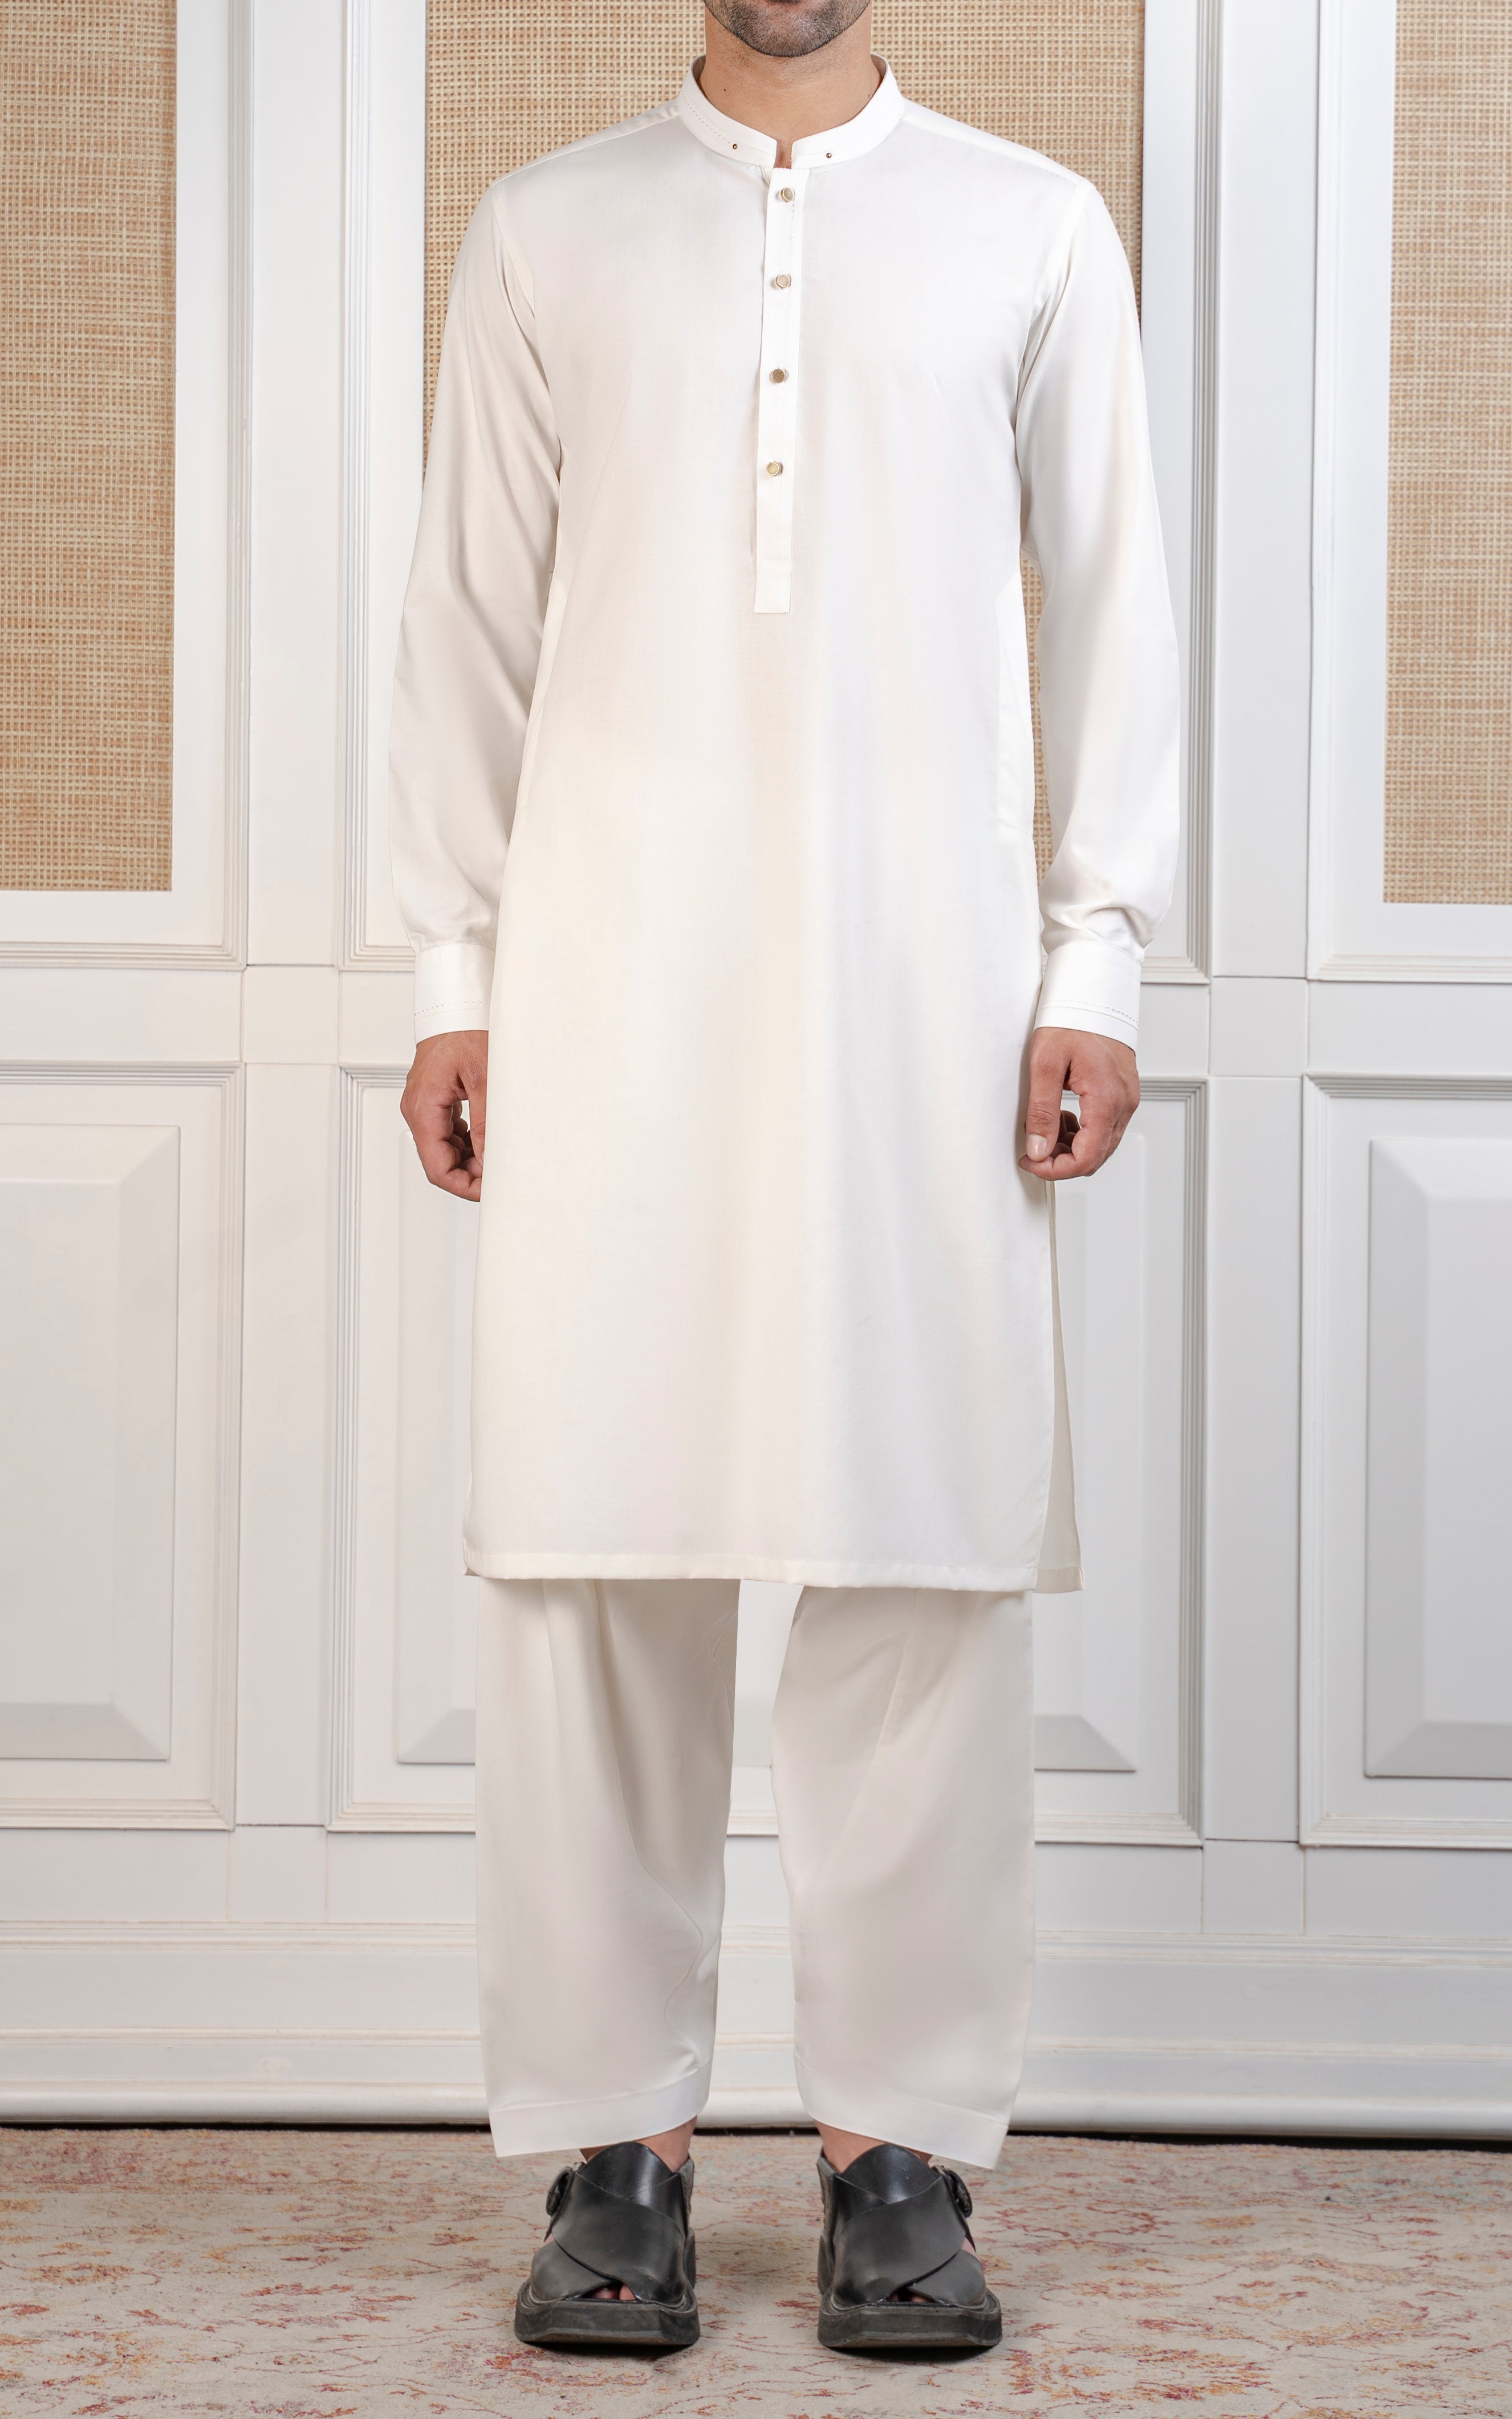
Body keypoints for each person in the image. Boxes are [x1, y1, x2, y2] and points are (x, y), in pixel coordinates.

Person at [389, 0, 1178, 2358]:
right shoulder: (549, 229)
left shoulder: (1033, 228)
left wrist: (1097, 950)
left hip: (925, 977)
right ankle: (609, 2149)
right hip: (605, 969)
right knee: (588, 1553)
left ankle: (896, 2149)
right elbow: (467, 617)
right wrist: (453, 967)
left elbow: (1114, 599)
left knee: (923, 1550)